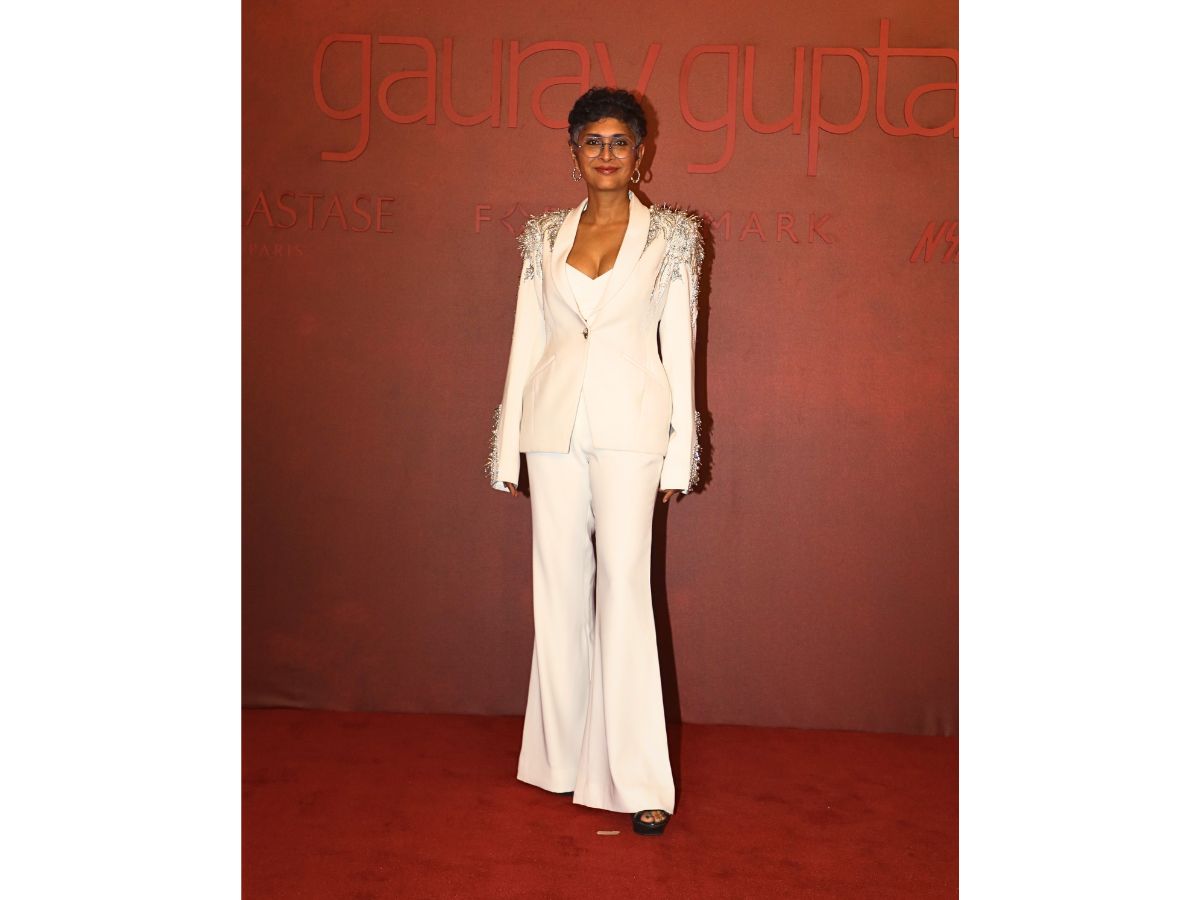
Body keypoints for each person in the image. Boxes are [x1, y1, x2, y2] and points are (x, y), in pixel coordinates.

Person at [486, 86, 702, 837]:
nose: (606, 153)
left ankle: (637, 776)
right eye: (592, 141)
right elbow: (526, 339)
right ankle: (560, 760)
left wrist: (679, 458)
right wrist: (508, 445)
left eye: (620, 141)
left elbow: (681, 346)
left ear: (641, 153)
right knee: (557, 589)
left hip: (632, 429)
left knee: (624, 590)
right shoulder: (543, 235)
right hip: (552, 427)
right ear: (573, 151)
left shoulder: (671, 238)